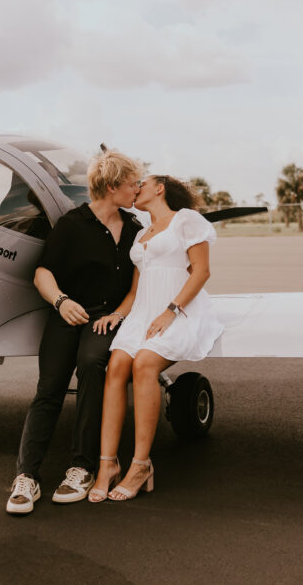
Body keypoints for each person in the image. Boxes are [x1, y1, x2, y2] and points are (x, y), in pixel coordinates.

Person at [6, 150, 143, 515]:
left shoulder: (134, 230)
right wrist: (61, 301)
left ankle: (81, 467)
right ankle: (26, 476)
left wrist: (116, 315)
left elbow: (136, 287)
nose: (137, 189)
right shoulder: (72, 224)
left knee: (92, 364)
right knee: (49, 389)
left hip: (108, 318)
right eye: (132, 184)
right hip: (68, 312)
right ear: (113, 186)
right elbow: (43, 272)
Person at [87, 175, 223, 502]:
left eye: (142, 183)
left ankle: (140, 465)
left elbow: (201, 271)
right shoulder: (142, 233)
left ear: (159, 188)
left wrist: (171, 310)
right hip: (141, 314)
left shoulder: (186, 220)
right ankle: (107, 464)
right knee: (117, 365)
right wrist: (117, 316)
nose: (136, 188)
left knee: (145, 364)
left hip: (178, 310)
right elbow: (135, 289)